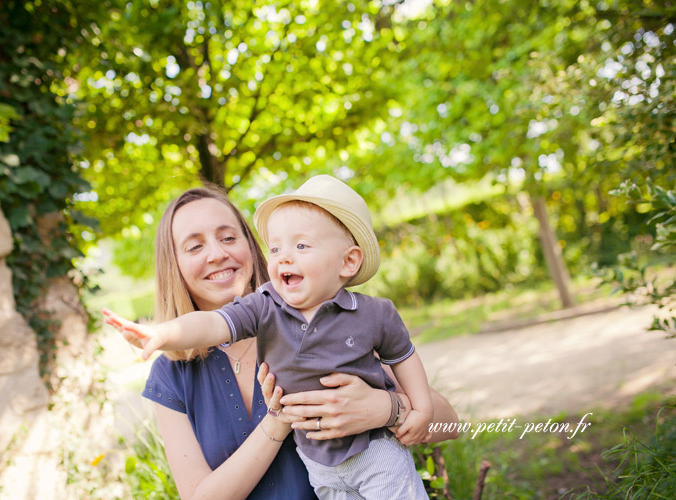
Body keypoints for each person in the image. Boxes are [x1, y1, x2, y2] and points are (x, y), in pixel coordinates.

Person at [108, 183, 459, 500]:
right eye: (195, 246)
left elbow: (449, 423)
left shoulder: (307, 317)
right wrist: (276, 422)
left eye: (229, 238)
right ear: (176, 265)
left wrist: (385, 409)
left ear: (250, 246)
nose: (216, 254)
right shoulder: (172, 376)